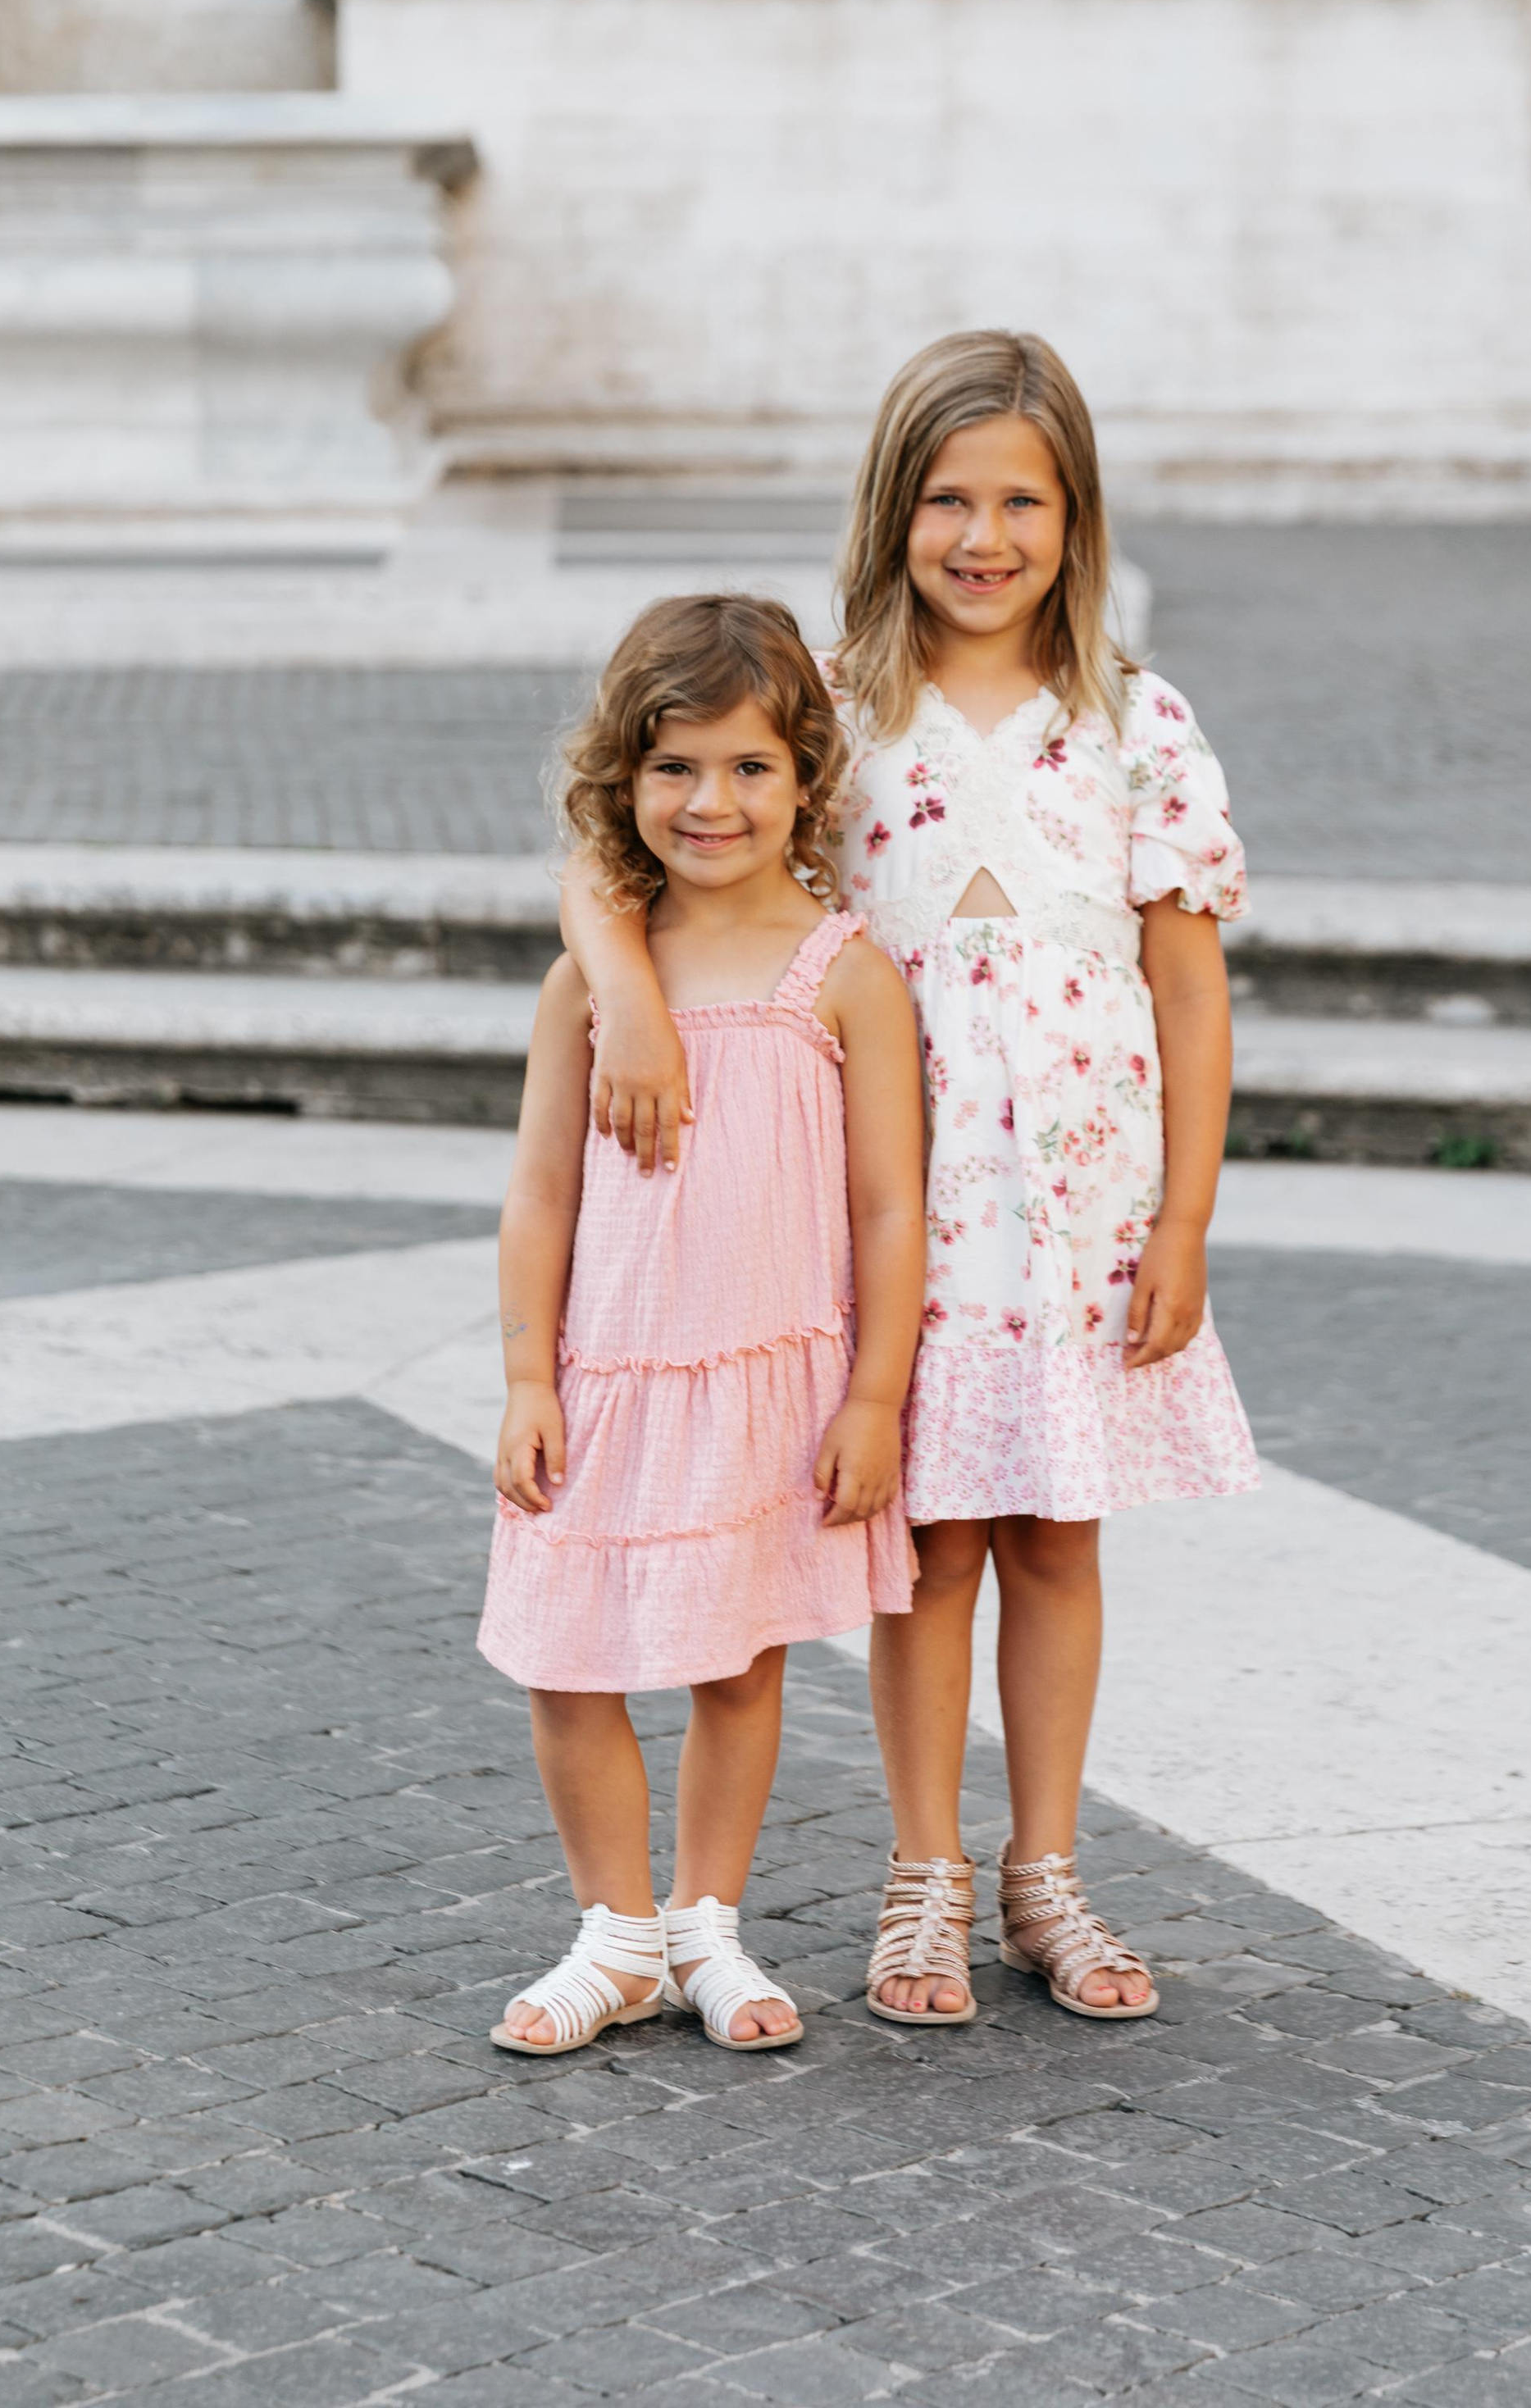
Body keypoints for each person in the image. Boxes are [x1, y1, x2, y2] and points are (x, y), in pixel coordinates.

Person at [567, 332, 1259, 2026]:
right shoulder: (831, 705)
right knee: (927, 1546)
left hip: (1077, 1205)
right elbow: (607, 851)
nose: (983, 536)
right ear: (893, 508)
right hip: (891, 1201)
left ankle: (1045, 1872)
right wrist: (628, 1000)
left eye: (1021, 501)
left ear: (1072, 517)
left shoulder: (1136, 721)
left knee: (1055, 1536)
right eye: (949, 498)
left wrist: (1183, 1219)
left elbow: (1188, 988)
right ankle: (923, 1873)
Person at [482, 592, 925, 2055]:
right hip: (607, 1377)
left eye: (748, 767)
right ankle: (614, 1937)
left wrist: (874, 1397)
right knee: (567, 1659)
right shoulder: (593, 981)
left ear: (806, 779)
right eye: (673, 767)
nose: (709, 801)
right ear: (625, 779)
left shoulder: (844, 974)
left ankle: (704, 1928)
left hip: (767, 1385)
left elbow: (888, 1210)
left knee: (738, 1668)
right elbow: (541, 1193)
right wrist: (527, 1379)